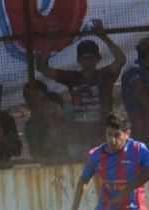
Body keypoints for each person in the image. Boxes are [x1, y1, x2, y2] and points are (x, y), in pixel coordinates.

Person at [37, 19, 126, 157]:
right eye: (84, 58)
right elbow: (42, 67)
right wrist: (51, 40)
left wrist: (103, 36)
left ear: (97, 59)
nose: (88, 62)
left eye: (91, 58)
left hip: (104, 133)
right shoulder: (73, 78)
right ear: (79, 61)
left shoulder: (104, 75)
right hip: (80, 136)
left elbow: (121, 60)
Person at [23, 80, 70, 161]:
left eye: (37, 96)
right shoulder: (30, 125)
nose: (33, 101)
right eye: (28, 97)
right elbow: (35, 152)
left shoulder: (66, 111)